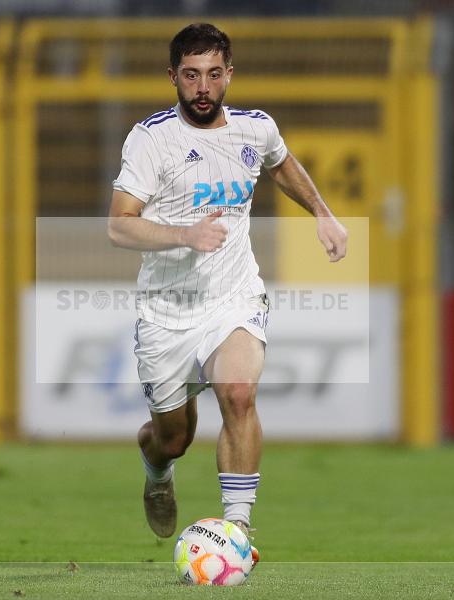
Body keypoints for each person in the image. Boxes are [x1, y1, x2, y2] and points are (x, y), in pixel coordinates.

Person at [107, 22, 347, 560]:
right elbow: (119, 225)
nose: (202, 87)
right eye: (191, 76)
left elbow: (282, 164)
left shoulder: (255, 129)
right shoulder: (151, 139)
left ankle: (236, 532)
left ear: (229, 75)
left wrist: (324, 215)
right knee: (173, 437)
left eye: (213, 75)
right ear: (173, 77)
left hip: (233, 295)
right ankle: (157, 471)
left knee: (238, 392)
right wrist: (183, 234)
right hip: (166, 311)